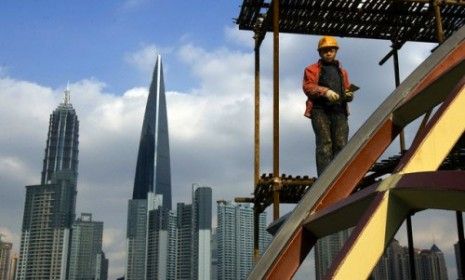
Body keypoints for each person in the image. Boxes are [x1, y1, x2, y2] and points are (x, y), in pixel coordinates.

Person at [302, 36, 354, 176]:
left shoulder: (342, 72)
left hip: (339, 111)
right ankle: (324, 180)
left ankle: (340, 177)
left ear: (336, 51)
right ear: (320, 53)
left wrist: (349, 95)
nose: (328, 53)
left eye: (331, 50)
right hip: (320, 111)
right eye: (325, 51)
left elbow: (347, 89)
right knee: (325, 145)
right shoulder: (311, 69)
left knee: (341, 145)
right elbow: (308, 87)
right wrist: (325, 92)